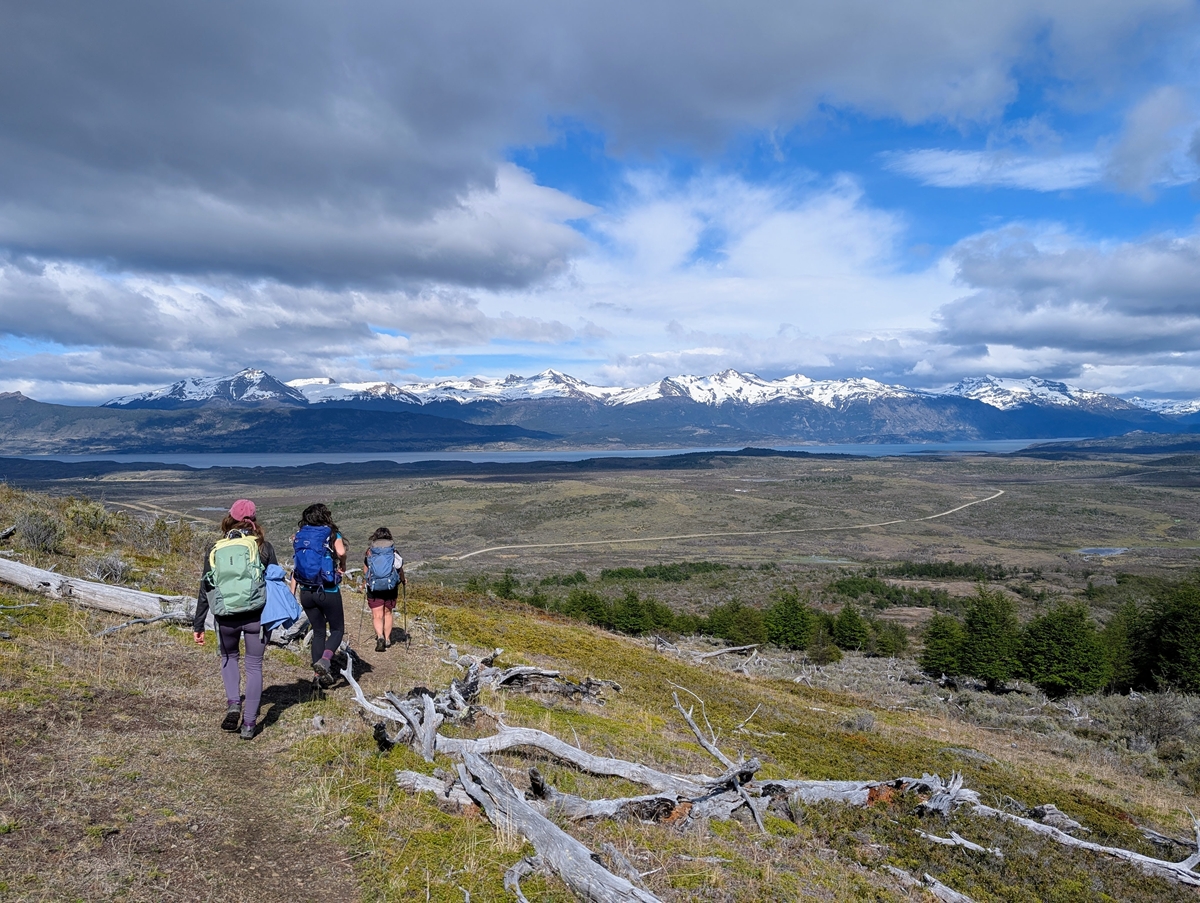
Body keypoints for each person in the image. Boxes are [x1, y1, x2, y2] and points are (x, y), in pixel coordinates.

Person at [193, 498, 277, 740]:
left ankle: (233, 704)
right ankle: (249, 724)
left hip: (225, 616)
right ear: (253, 520)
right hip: (256, 616)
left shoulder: (215, 548)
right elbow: (274, 583)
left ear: (230, 519)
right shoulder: (263, 547)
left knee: (228, 657)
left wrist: (198, 624)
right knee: (254, 666)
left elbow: (205, 588)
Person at [290, 503, 347, 681]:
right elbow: (341, 551)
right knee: (337, 630)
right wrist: (343, 563)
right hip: (327, 590)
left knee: (318, 631)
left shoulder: (300, 536)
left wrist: (291, 593)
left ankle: (317, 676)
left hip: (306, 591)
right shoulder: (330, 533)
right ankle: (325, 660)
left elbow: (297, 565)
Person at [363, 527, 406, 652]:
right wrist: (403, 580)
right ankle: (387, 639)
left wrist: (366, 581)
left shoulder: (370, 552)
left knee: (377, 615)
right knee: (387, 613)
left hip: (374, 587)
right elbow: (399, 568)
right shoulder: (393, 552)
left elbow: (366, 570)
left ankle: (380, 637)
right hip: (390, 586)